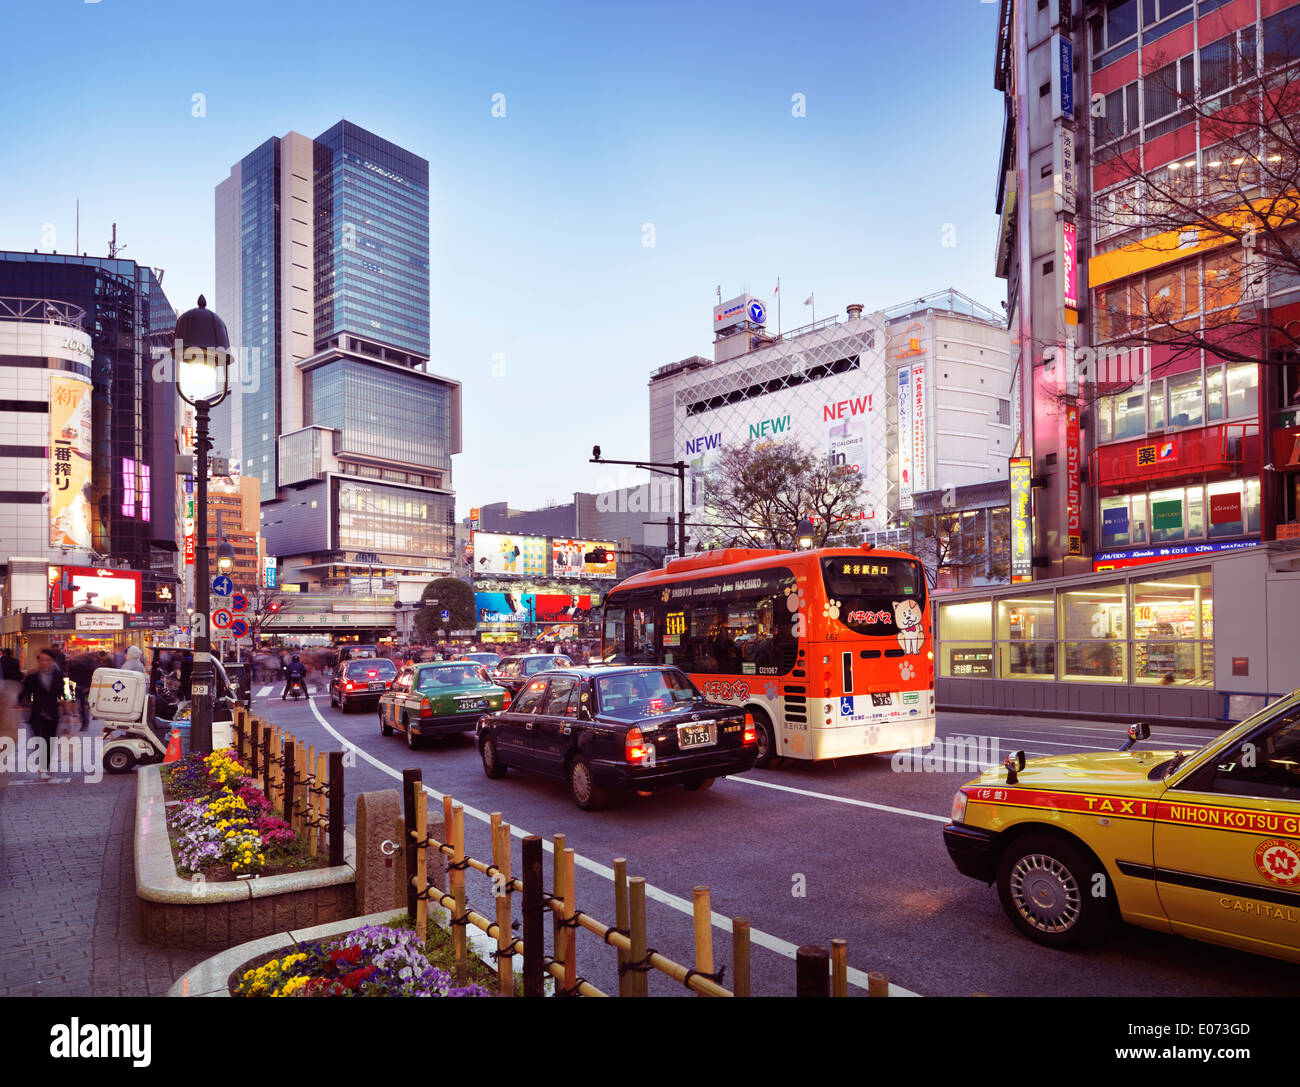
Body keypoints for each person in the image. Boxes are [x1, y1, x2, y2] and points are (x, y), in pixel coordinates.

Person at [21, 650, 64, 780]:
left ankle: (44, 766)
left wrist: (68, 705)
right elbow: (24, 693)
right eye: (41, 660)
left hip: (52, 713)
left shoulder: (58, 675)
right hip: (37, 713)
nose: (43, 663)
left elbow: (63, 692)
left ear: (51, 661)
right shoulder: (32, 677)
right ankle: (42, 765)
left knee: (50, 741)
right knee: (40, 740)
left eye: (47, 660)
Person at [68, 652, 95, 732]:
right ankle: (85, 722)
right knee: (84, 706)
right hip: (84, 688)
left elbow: (71, 678)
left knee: (83, 706)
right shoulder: (89, 665)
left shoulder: (76, 665)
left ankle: (85, 722)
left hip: (82, 688)